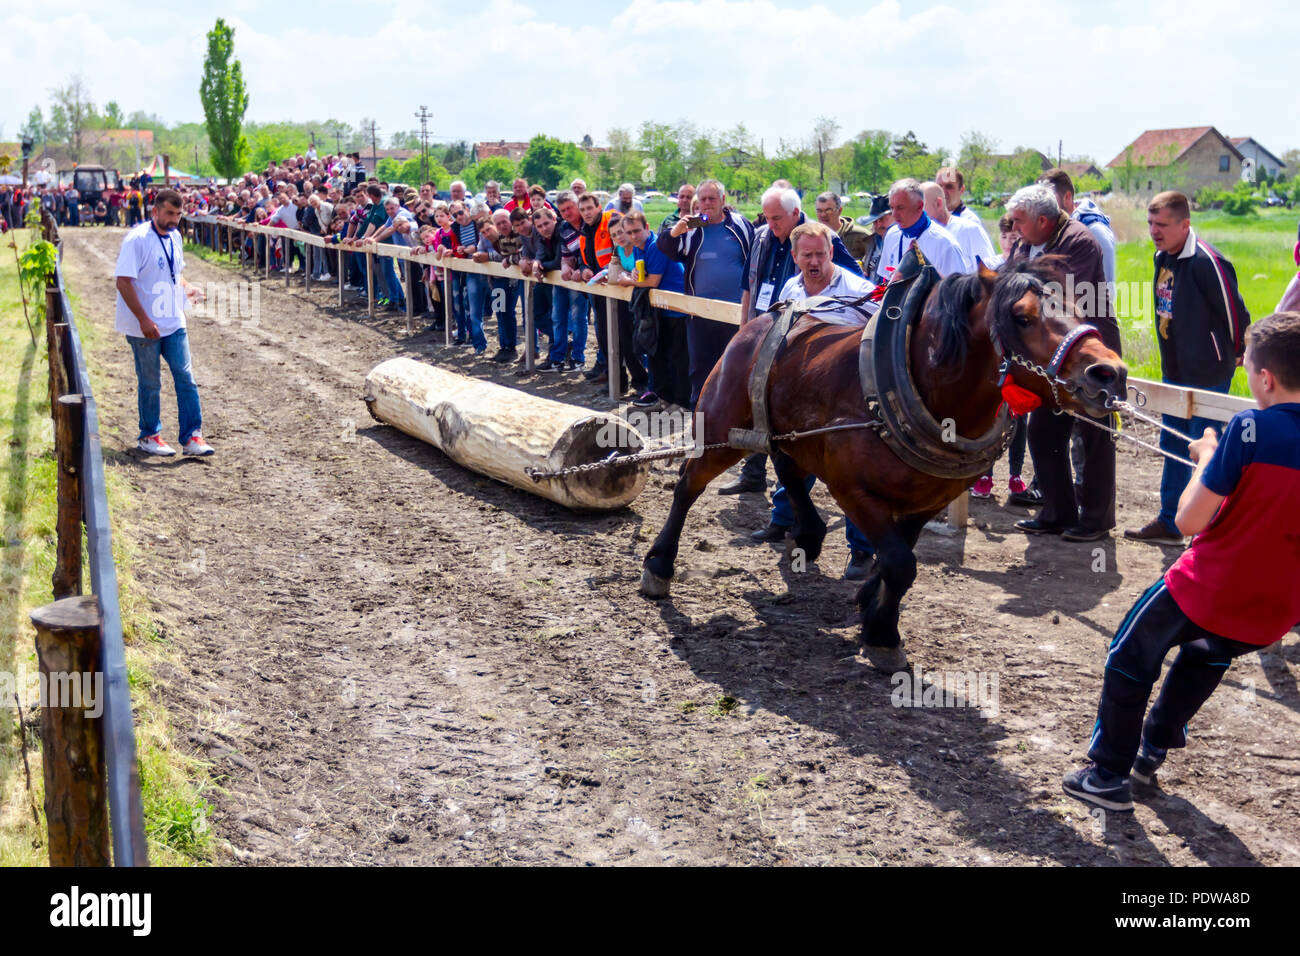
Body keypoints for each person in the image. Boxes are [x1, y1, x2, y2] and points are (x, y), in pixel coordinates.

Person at [1063, 311, 1300, 812]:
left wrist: (1208, 457)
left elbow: (1190, 521)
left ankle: (1107, 774)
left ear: (1265, 378)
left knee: (1129, 659)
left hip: (1209, 585)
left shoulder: (1250, 428)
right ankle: (1151, 750)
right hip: (1275, 609)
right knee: (1206, 655)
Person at [748, 222, 878, 579]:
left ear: (832, 253)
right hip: (801, 405)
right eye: (807, 255)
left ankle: (862, 551)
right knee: (790, 462)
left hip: (845, 409)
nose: (815, 260)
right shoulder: (790, 289)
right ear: (795, 257)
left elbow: (879, 345)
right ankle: (783, 522)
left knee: (851, 478)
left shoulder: (861, 293)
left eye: (821, 253)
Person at [1125, 190, 1251, 547]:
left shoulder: (1206, 262)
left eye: (1162, 224)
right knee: (1172, 442)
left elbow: (1233, 311)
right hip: (1175, 371)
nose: (1154, 230)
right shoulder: (1161, 257)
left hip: (1208, 373)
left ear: (1185, 224)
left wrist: (1238, 350)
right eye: (1150, 223)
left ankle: (1208, 531)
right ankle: (1171, 521)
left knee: (1205, 449)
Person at [725, 185, 865, 496]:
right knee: (783, 446)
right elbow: (750, 284)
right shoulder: (766, 245)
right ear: (795, 255)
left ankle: (851, 538)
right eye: (768, 217)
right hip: (794, 375)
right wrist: (747, 329)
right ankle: (776, 506)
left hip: (837, 391)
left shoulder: (835, 261)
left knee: (835, 467)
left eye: (776, 218)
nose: (771, 223)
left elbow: (869, 307)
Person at [1005, 184, 1122, 542]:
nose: (1014, 227)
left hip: (1090, 351)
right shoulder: (1027, 240)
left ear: (1044, 220)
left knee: (1094, 435)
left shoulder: (1080, 240)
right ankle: (1057, 511)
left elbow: (1055, 291)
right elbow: (1013, 279)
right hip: (1053, 351)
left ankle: (1097, 520)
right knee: (1043, 430)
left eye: (1020, 220)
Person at [113, 189, 213, 458]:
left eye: (178, 215)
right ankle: (149, 435)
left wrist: (188, 287)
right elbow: (123, 281)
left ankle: (192, 436)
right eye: (169, 213)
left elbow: (174, 273)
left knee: (186, 378)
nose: (174, 220)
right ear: (154, 211)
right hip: (143, 326)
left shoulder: (176, 237)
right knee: (150, 382)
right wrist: (143, 318)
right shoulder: (137, 240)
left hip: (174, 320)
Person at [656, 179, 755, 406]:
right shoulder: (693, 228)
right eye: (703, 199)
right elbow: (665, 249)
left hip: (736, 314)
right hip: (699, 315)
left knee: (735, 368)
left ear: (723, 200)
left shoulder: (739, 225)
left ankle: (732, 419)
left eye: (712, 198)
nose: (707, 203)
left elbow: (753, 262)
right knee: (700, 370)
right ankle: (699, 422)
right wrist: (675, 232)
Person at [872, 179, 969, 284]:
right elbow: (884, 282)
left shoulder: (945, 243)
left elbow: (957, 294)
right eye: (892, 208)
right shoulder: (891, 235)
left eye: (900, 208)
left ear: (919, 206)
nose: (894, 214)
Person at [920, 181, 998, 269]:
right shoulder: (919, 235)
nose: (916, 211)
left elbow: (989, 269)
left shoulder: (970, 230)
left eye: (921, 205)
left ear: (938, 203)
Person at [814, 191, 871, 263]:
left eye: (828, 210)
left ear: (839, 210)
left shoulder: (860, 236)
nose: (823, 215)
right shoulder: (812, 236)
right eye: (819, 211)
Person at [856, 195, 893, 280]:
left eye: (883, 219)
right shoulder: (871, 242)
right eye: (875, 221)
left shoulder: (905, 242)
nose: (879, 225)